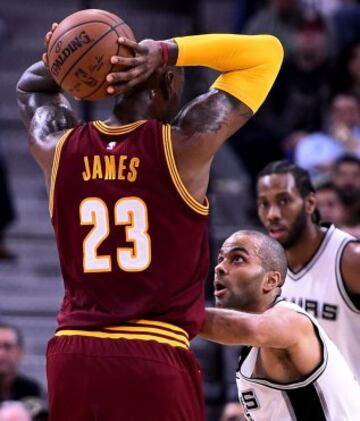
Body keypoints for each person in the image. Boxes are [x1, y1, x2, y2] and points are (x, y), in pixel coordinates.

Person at [16, 16, 284, 421]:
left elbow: (31, 87)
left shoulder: (58, 147)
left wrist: (65, 54)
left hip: (73, 351)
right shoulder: (183, 144)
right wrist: (166, 50)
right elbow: (267, 53)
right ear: (166, 84)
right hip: (151, 350)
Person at [200, 230, 360, 420]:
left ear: (271, 280)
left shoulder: (291, 320)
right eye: (220, 259)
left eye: (237, 259)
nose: (220, 267)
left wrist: (172, 311)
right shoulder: (253, 349)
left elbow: (244, 327)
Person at [256, 160, 360, 381]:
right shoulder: (263, 267)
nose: (272, 214)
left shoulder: (349, 259)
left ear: (310, 203)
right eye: (264, 204)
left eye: (284, 200)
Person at [0, 324, 42, 403]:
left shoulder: (30, 389)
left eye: (7, 347)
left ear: (20, 352)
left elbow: (37, 414)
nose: (1, 353)